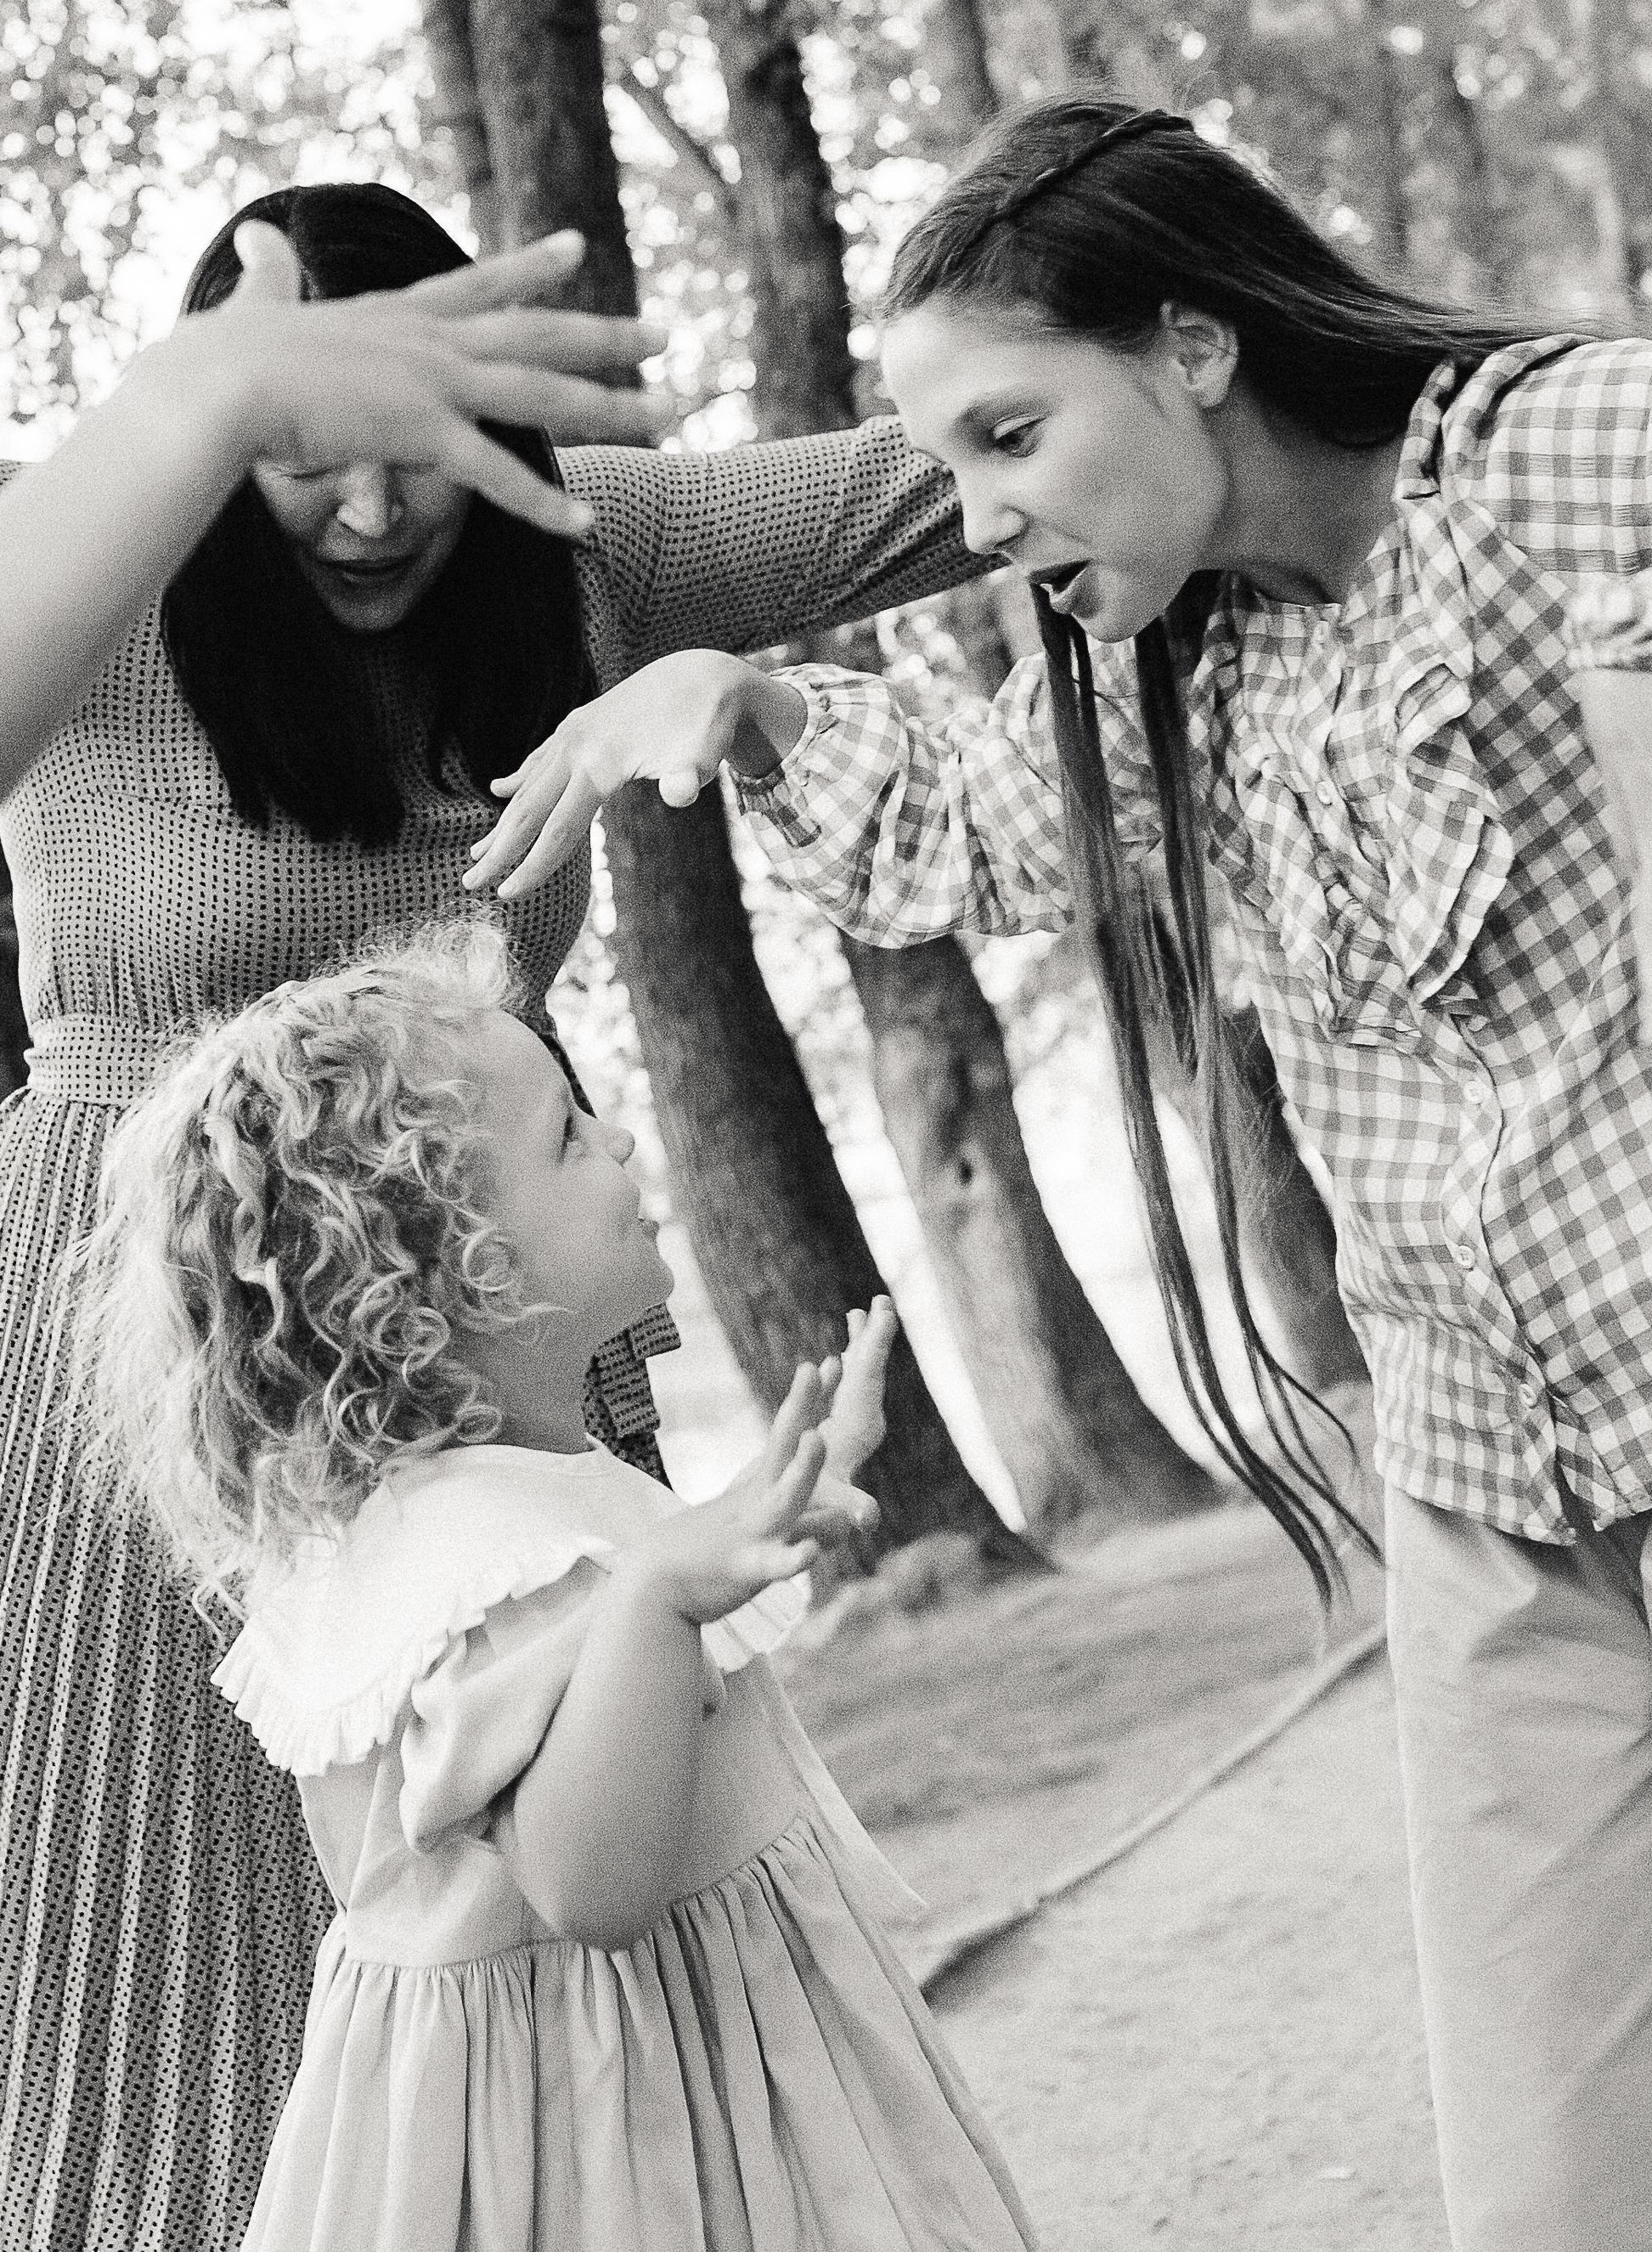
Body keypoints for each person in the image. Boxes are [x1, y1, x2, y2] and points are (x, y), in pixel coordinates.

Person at [470, 96, 1652, 2252]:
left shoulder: (1555, 453)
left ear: (1193, 345)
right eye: (956, 468)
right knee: (1576, 2177)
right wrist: (750, 705)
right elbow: (981, 825)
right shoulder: (1177, 654)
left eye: (1007, 435)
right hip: (1494, 1492)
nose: (979, 519)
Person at [0, 182, 977, 2252]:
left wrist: (1406, 372)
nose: (358, 512)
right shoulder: (94, 531)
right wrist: (198, 398)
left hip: (499, 1355)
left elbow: (957, 472)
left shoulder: (588, 539)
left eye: (403, 443)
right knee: (130, 1998)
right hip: (156, 1398)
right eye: (297, 446)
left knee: (544, 1940)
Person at [70, 924, 1038, 2252]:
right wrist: (658, 1600)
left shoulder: (517, 1495)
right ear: (442, 1261)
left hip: (685, 2074)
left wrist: (764, 1501)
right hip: (605, 2140)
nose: (627, 1142)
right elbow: (592, 1882)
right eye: (571, 1139)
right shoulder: (460, 1562)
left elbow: (624, 1603)